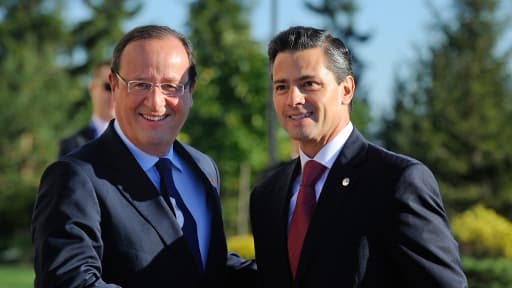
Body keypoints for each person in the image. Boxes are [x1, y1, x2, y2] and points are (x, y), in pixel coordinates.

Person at [32, 25, 255, 288]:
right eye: (141, 85)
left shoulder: (203, 169)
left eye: (171, 86)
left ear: (190, 91)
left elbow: (204, 265)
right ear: (114, 86)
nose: (156, 102)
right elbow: (71, 282)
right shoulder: (74, 177)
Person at [250, 26, 468, 288]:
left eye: (309, 84)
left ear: (346, 90)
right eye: (281, 87)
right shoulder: (267, 194)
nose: (293, 98)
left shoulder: (397, 182)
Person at [58, 60, 115, 157]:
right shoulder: (71, 147)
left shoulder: (139, 146)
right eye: (108, 87)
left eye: (119, 88)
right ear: (92, 88)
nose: (114, 95)